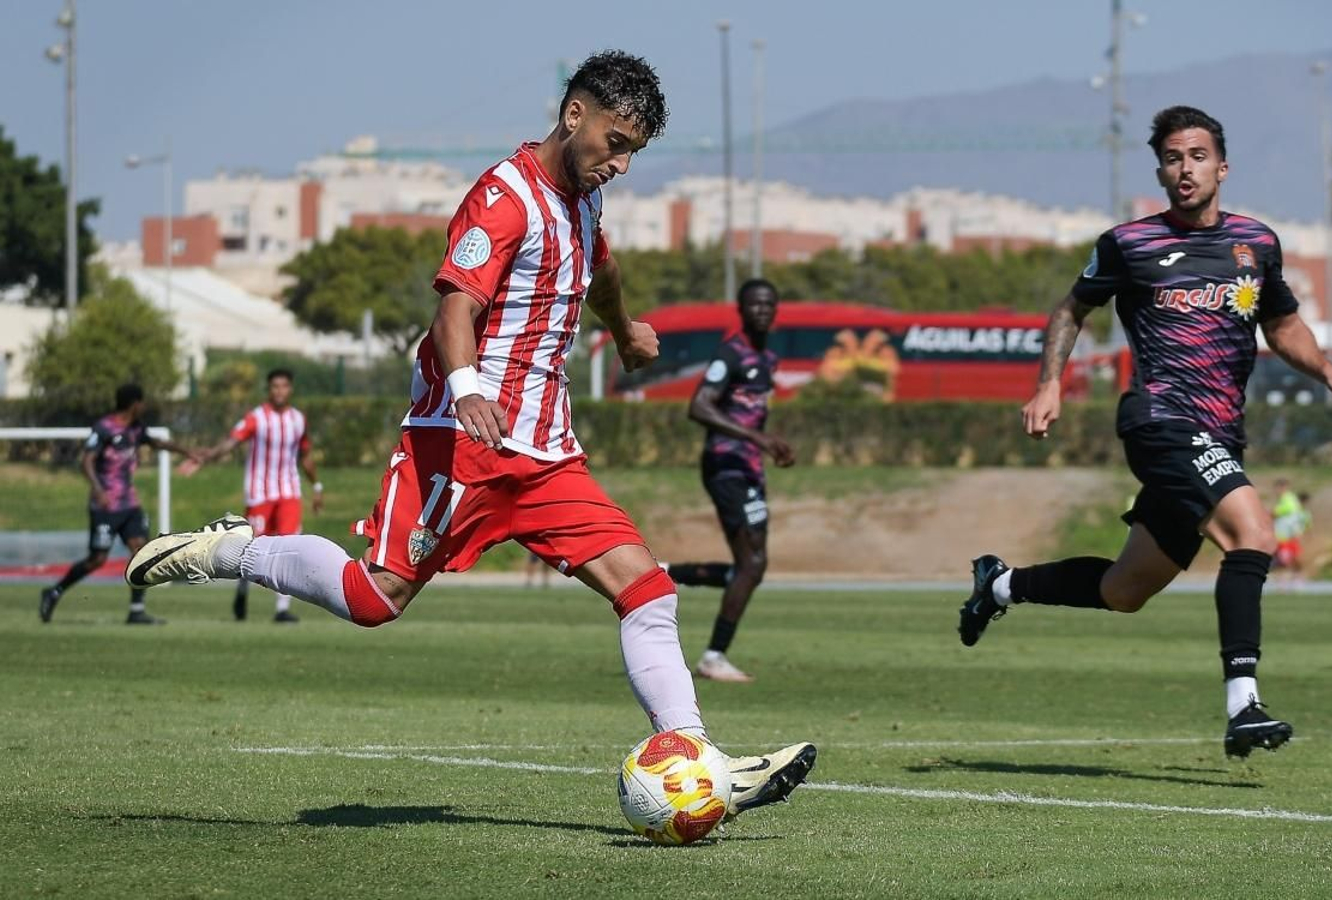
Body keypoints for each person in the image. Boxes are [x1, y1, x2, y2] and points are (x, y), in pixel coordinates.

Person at [125, 51, 815, 815]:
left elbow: (602, 272)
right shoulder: (504, 197)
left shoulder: (584, 203)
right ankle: (229, 550)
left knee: (648, 593)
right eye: (615, 143)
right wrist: (466, 390)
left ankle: (701, 761)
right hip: (461, 445)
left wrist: (622, 332)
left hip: (548, 456)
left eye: (634, 153)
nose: (620, 163)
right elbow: (454, 309)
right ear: (574, 114)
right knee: (372, 598)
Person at [956, 106, 1332, 758]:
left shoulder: (1257, 244)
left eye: (1198, 156)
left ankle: (1001, 583)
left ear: (1222, 166)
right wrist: (1048, 382)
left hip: (1221, 433)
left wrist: (1327, 370)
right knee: (1254, 534)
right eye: (1174, 159)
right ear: (1161, 170)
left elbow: (1283, 325)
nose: (1186, 169)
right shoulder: (1129, 244)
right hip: (1159, 420)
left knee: (1125, 591)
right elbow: (1073, 308)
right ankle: (1244, 704)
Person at [665, 279, 794, 683]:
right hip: (725, 464)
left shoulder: (767, 358)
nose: (762, 310)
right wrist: (758, 439)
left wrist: (767, 447)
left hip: (748, 467)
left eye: (769, 304)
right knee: (753, 563)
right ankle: (714, 657)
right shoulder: (731, 353)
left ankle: (665, 573)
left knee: (750, 566)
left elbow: (752, 413)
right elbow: (699, 406)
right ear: (741, 309)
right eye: (754, 304)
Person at [39, 383, 201, 624]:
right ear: (134, 404)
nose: (144, 406)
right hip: (105, 506)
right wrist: (98, 489)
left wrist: (187, 451)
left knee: (141, 552)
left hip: (130, 505)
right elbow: (87, 461)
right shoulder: (104, 428)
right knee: (98, 560)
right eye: (142, 402)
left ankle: (136, 610)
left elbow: (157, 444)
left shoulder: (136, 428)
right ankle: (54, 591)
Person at [192, 368, 323, 623]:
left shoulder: (298, 419)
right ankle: (242, 590)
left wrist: (317, 487)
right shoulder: (256, 417)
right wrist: (207, 456)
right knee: (252, 548)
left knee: (289, 546)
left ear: (290, 389)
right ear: (268, 389)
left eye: (284, 386)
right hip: (259, 494)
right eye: (275, 386)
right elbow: (232, 441)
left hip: (289, 492)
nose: (279, 391)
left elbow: (305, 455)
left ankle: (282, 609)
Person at [1270, 479, 1305, 589]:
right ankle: (1293, 579)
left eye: (1278, 488)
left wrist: (1296, 531)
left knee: (1285, 559)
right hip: (1283, 535)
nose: (1276, 491)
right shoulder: (1285, 499)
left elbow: (1290, 515)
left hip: (1287, 536)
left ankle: (1289, 581)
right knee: (1288, 558)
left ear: (1284, 487)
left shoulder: (1288, 499)